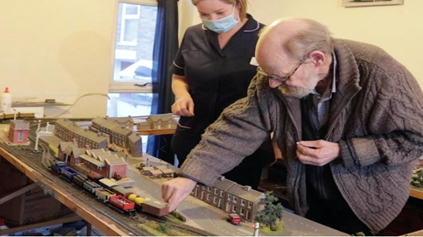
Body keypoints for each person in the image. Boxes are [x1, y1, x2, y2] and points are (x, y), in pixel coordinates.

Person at [162, 17, 423, 235]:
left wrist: (343, 151)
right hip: (307, 195)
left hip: (367, 202)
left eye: (281, 76)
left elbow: (416, 137)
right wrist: (190, 176)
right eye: (268, 75)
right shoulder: (274, 75)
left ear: (317, 59)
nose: (273, 84)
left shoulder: (381, 73)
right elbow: (237, 128)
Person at [170, 0, 274, 189]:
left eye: (220, 13)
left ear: (237, 3)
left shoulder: (266, 37)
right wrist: (182, 95)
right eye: (204, 15)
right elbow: (179, 77)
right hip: (193, 137)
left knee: (234, 209)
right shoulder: (193, 34)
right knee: (188, 202)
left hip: (242, 142)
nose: (213, 20)